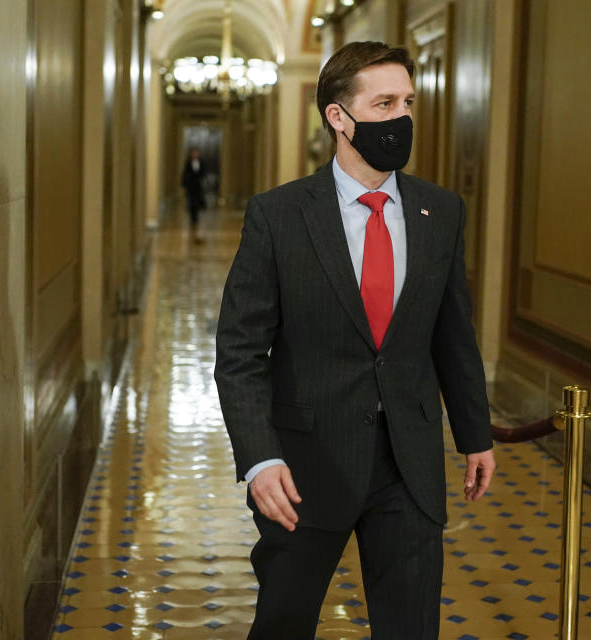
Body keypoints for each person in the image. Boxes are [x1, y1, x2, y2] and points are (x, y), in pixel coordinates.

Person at [214, 41, 495, 639]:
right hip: (304, 466)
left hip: (409, 463)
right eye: (384, 102)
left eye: (409, 103)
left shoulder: (440, 212)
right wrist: (260, 458)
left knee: (410, 627)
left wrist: (476, 437)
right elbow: (240, 354)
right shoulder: (279, 215)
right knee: (284, 623)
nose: (402, 118)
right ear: (338, 118)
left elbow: (453, 335)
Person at [180, 147, 205, 243]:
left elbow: (203, 173)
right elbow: (184, 174)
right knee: (191, 203)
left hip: (198, 187)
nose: (195, 154)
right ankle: (193, 218)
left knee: (197, 203)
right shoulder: (188, 163)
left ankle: (196, 218)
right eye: (193, 153)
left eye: (196, 153)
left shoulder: (201, 162)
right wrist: (183, 186)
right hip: (190, 186)